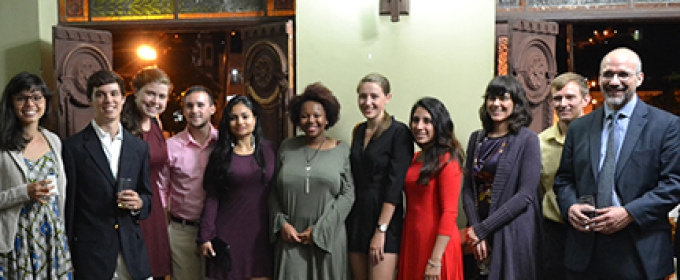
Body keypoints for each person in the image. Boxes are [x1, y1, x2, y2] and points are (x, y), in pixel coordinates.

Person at [554, 47, 680, 280]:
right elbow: (563, 179)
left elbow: (674, 183)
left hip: (640, 252)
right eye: (607, 74)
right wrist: (570, 206)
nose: (614, 81)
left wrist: (630, 213)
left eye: (623, 74)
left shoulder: (667, 126)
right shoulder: (580, 128)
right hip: (585, 254)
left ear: (639, 79)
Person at [63, 69, 153, 280]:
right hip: (91, 255)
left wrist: (140, 203)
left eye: (113, 94)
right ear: (90, 100)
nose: (108, 100)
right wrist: (69, 255)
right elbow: (70, 206)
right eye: (100, 94)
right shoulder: (73, 148)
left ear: (123, 98)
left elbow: (148, 198)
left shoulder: (139, 148)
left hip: (133, 252)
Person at [269, 82, 354, 279]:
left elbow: (348, 194)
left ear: (327, 119)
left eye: (317, 115)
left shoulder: (341, 150)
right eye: (305, 116)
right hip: (291, 238)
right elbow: (273, 191)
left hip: (328, 237)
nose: (311, 120)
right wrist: (281, 223)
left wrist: (320, 231)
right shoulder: (286, 147)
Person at [461, 75, 542, 280]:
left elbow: (525, 195)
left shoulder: (528, 140)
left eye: (503, 98)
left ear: (516, 103)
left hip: (513, 231)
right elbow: (468, 188)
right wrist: (476, 230)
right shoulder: (476, 138)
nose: (496, 104)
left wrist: (482, 229)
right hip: (480, 230)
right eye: (491, 98)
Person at [0, 72, 72, 279]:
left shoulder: (54, 141)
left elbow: (61, 196)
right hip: (16, 242)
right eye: (21, 98)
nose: (30, 104)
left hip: (53, 240)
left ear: (45, 102)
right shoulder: (2, 145)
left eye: (36, 97)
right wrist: (24, 192)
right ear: (11, 103)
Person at [199, 95, 275, 280]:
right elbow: (212, 197)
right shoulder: (221, 154)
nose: (240, 122)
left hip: (262, 235)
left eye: (245, 116)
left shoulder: (270, 149)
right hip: (228, 234)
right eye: (233, 118)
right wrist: (206, 235)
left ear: (255, 119)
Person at [346, 73, 413, 280]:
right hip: (357, 218)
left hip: (384, 220)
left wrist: (381, 230)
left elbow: (395, 186)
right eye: (363, 96)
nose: (368, 102)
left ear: (387, 98)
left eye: (374, 96)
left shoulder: (399, 132)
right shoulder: (358, 131)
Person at [397, 97, 464, 280]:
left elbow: (450, 212)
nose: (419, 126)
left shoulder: (447, 160)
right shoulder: (413, 158)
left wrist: (435, 260)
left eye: (427, 121)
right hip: (412, 240)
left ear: (439, 124)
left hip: (437, 245)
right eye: (416, 120)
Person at [158, 86, 217, 280]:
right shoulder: (171, 147)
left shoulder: (224, 143)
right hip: (182, 232)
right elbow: (161, 189)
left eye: (201, 105)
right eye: (189, 106)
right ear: (184, 111)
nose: (195, 110)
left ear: (212, 109)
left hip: (219, 229)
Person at [120, 67, 173, 280]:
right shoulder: (120, 125)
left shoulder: (155, 122)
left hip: (154, 210)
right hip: (129, 209)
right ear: (136, 91)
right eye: (150, 93)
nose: (155, 101)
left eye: (162, 96)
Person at [539, 72, 591, 280]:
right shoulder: (540, 143)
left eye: (570, 97)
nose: (563, 103)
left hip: (592, 231)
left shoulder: (602, 138)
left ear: (585, 100)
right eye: (557, 98)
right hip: (555, 231)